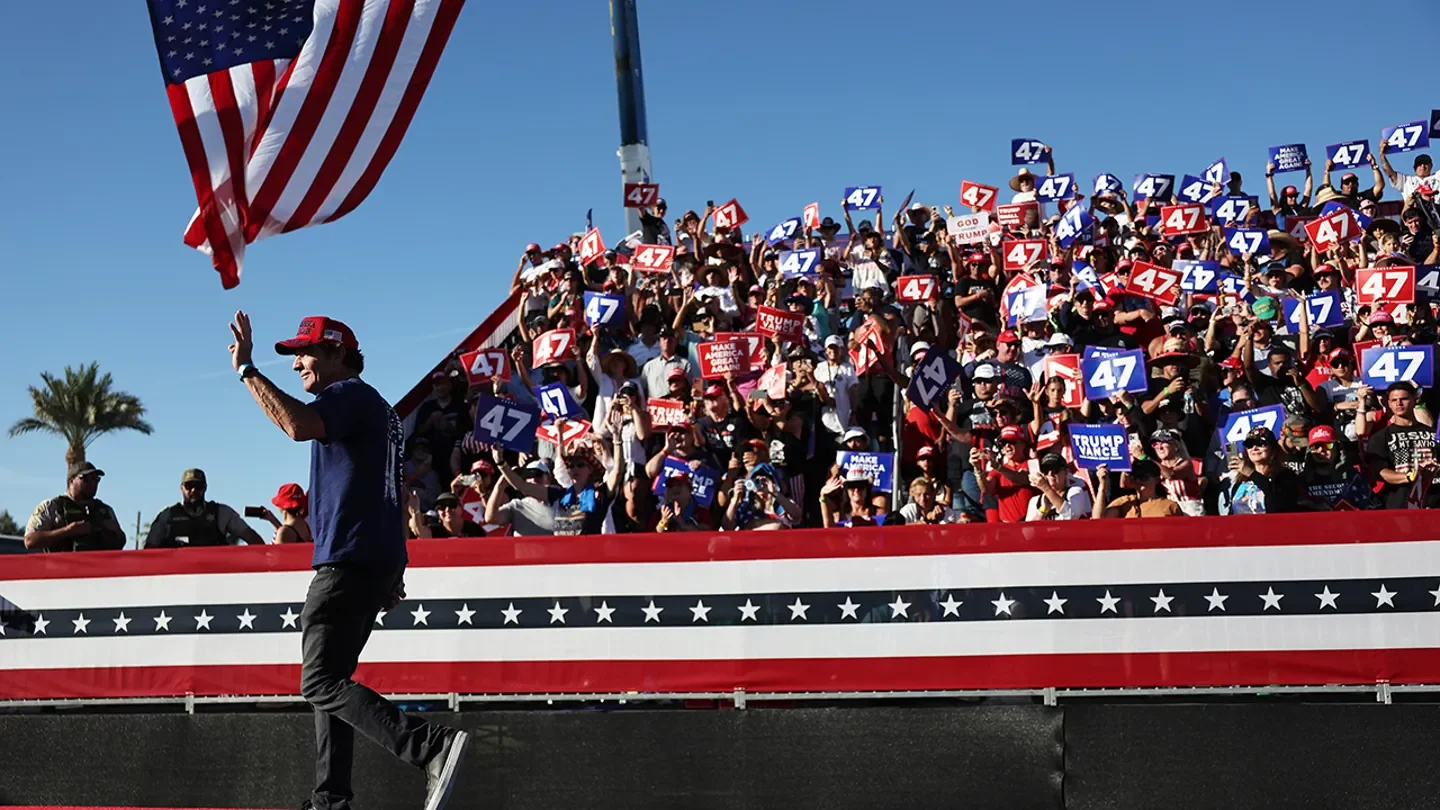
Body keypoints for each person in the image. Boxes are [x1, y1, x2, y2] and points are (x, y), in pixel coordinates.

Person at [226, 311, 468, 810]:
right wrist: (392, 569)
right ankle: (330, 802)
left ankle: (430, 746)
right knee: (331, 684)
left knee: (318, 681)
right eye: (294, 355)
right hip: (371, 564)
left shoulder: (347, 396)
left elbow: (296, 426)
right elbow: (390, 495)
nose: (297, 364)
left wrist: (248, 370)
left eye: (305, 352)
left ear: (338, 353)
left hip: (346, 566)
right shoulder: (378, 409)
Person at [144, 468, 264, 548]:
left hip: (214, 576)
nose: (193, 490)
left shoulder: (222, 513)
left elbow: (253, 539)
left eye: (198, 486)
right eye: (189, 486)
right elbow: (149, 550)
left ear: (205, 488)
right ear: (181, 488)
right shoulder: (167, 516)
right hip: (178, 578)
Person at [1365, 382, 1439, 509]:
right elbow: (1380, 472)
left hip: (1435, 500)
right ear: (1388, 403)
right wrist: (1410, 476)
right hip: (1399, 504)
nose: (1398, 403)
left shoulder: (1433, 434)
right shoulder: (1380, 437)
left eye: (1404, 399)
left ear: (1415, 400)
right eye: (1394, 400)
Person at [23, 461, 126, 552]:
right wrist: (68, 531)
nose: (93, 483)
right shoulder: (52, 507)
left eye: (96, 479)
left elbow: (121, 542)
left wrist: (115, 531)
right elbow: (30, 541)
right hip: (63, 571)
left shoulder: (105, 510)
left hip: (97, 571)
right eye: (86, 479)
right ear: (71, 481)